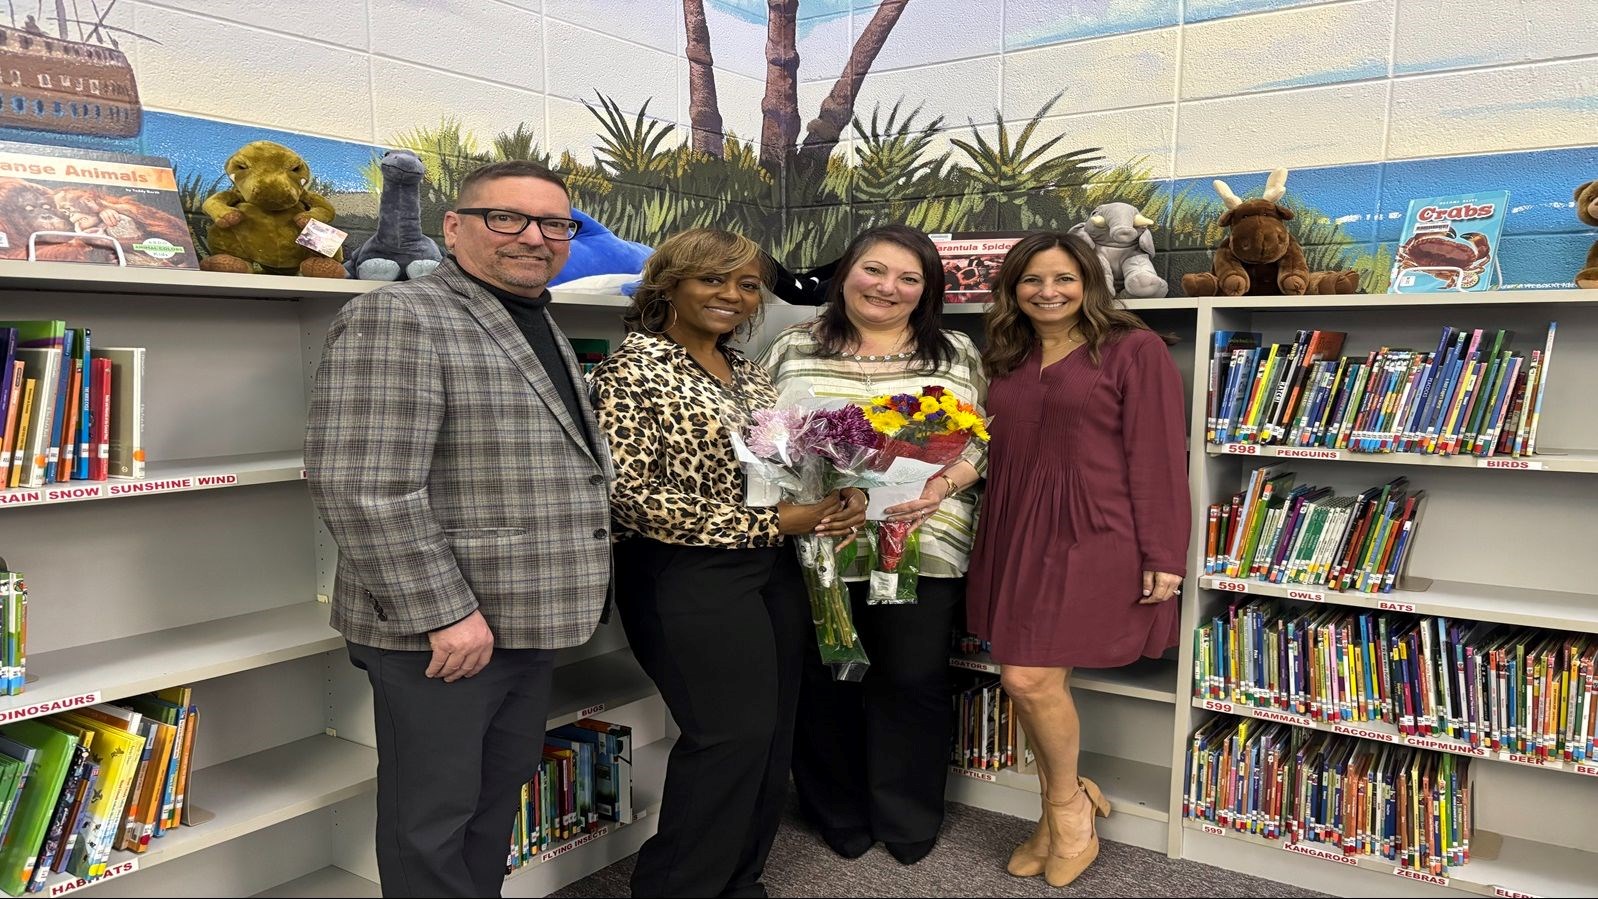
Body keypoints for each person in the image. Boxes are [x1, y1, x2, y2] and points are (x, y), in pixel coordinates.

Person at [305, 161, 612, 898]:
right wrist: (445, 612)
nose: (534, 237)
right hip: (444, 633)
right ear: (454, 227)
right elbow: (363, 484)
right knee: (431, 823)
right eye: (506, 217)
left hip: (525, 619)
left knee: (487, 810)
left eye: (553, 223)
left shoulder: (534, 316)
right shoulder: (399, 315)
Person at [589, 228, 867, 898]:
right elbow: (633, 501)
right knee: (728, 737)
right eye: (713, 280)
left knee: (771, 737)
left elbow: (781, 459)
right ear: (670, 285)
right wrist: (772, 521)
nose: (734, 296)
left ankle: (740, 881)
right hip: (683, 572)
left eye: (747, 284)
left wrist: (839, 491)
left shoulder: (748, 370)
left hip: (770, 566)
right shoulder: (630, 371)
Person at [965, 232, 1189, 888]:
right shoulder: (1006, 354)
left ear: (1091, 281)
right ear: (1014, 289)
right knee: (1026, 680)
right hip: (1013, 526)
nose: (1048, 291)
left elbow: (1155, 457)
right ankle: (1062, 806)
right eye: (1032, 280)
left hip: (1094, 529)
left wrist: (1163, 553)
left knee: (1028, 680)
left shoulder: (1134, 349)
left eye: (1063, 278)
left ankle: (1067, 812)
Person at [760, 224, 987, 866]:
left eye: (908, 278)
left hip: (925, 532)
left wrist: (942, 482)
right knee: (826, 673)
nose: (888, 287)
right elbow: (765, 440)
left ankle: (907, 813)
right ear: (845, 274)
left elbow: (983, 440)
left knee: (911, 675)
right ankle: (836, 808)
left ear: (926, 290)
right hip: (821, 539)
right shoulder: (791, 348)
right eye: (874, 270)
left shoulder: (956, 353)